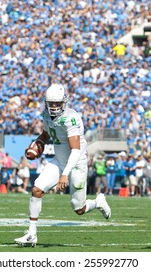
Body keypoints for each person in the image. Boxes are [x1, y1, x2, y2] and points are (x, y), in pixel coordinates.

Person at [14, 83, 111, 246]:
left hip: (76, 163)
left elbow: (75, 150)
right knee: (37, 189)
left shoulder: (70, 118)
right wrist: (37, 144)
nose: (53, 106)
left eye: (57, 103)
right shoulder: (46, 114)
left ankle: (97, 203)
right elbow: (46, 134)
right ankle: (31, 234)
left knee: (78, 208)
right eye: (51, 103)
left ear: (64, 102)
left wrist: (65, 174)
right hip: (59, 160)